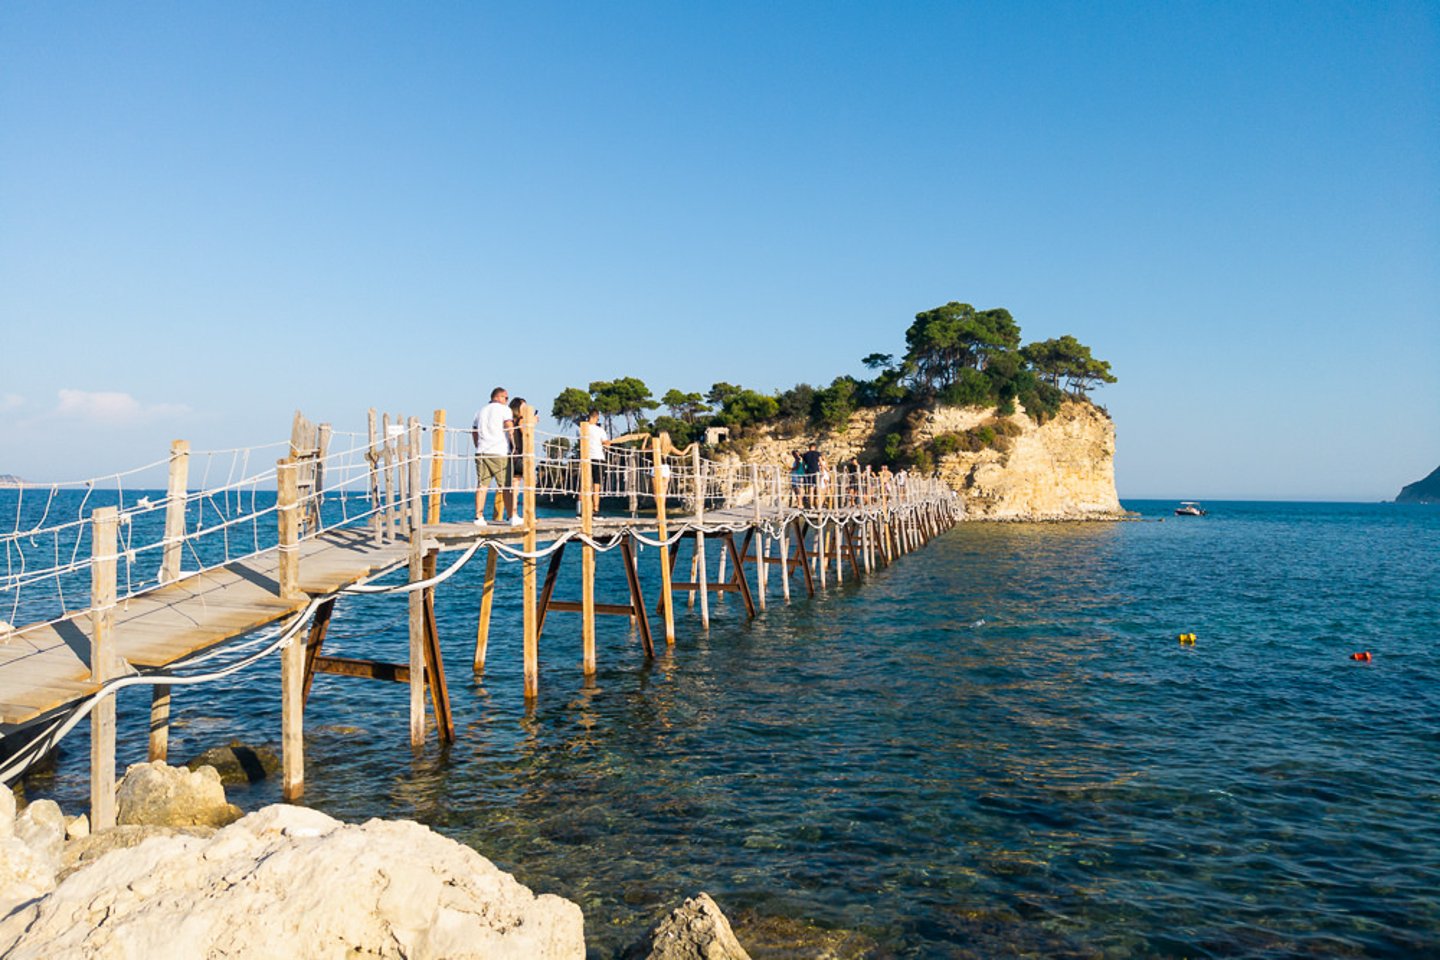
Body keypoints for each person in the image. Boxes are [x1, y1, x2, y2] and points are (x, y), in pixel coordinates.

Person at [471, 387, 520, 526]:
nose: (507, 400)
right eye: (506, 398)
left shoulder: (479, 411)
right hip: (499, 452)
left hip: (482, 451)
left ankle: (478, 517)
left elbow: (474, 432)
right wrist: (514, 445)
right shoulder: (504, 410)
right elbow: (509, 426)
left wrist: (478, 445)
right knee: (506, 486)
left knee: (482, 485)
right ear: (498, 397)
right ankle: (512, 516)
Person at [578, 409, 609, 514]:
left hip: (586, 458)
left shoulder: (582, 429)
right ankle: (595, 509)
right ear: (595, 417)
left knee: (584, 484)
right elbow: (606, 443)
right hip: (598, 458)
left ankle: (580, 510)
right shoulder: (600, 430)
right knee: (597, 485)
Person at [508, 396, 528, 524]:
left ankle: (513, 513)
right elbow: (526, 433)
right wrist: (531, 423)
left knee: (514, 485)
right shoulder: (521, 421)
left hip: (512, 454)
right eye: (524, 407)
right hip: (520, 454)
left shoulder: (510, 421)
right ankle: (524, 513)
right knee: (528, 484)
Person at [800, 442, 823, 507]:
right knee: (818, 488)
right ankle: (819, 505)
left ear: (809, 448)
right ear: (814, 447)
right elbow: (821, 463)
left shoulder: (805, 455)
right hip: (816, 472)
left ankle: (811, 505)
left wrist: (804, 472)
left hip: (809, 473)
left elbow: (803, 464)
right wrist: (823, 471)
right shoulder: (817, 453)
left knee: (811, 489)